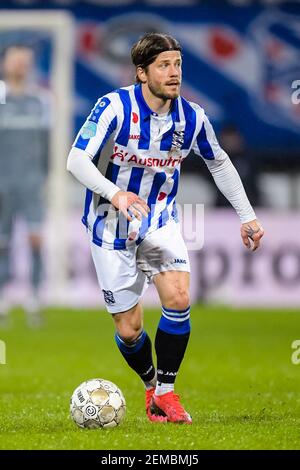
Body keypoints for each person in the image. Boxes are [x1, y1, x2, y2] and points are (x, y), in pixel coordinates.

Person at [67, 33, 264, 424]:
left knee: (177, 296)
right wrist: (115, 193)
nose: (174, 73)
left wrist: (247, 215)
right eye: (164, 66)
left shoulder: (192, 117)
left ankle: (168, 393)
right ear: (142, 73)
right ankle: (151, 386)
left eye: (177, 65)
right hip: (110, 227)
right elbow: (76, 160)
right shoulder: (114, 107)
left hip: (158, 222)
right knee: (129, 329)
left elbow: (220, 162)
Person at [0, 45, 50, 327]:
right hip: (2, 183)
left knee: (35, 239)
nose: (20, 65)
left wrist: (47, 179)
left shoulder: (41, 100)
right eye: (15, 60)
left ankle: (34, 297)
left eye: (24, 61)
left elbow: (48, 145)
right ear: (5, 64)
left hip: (31, 183)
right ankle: (3, 298)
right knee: (2, 243)